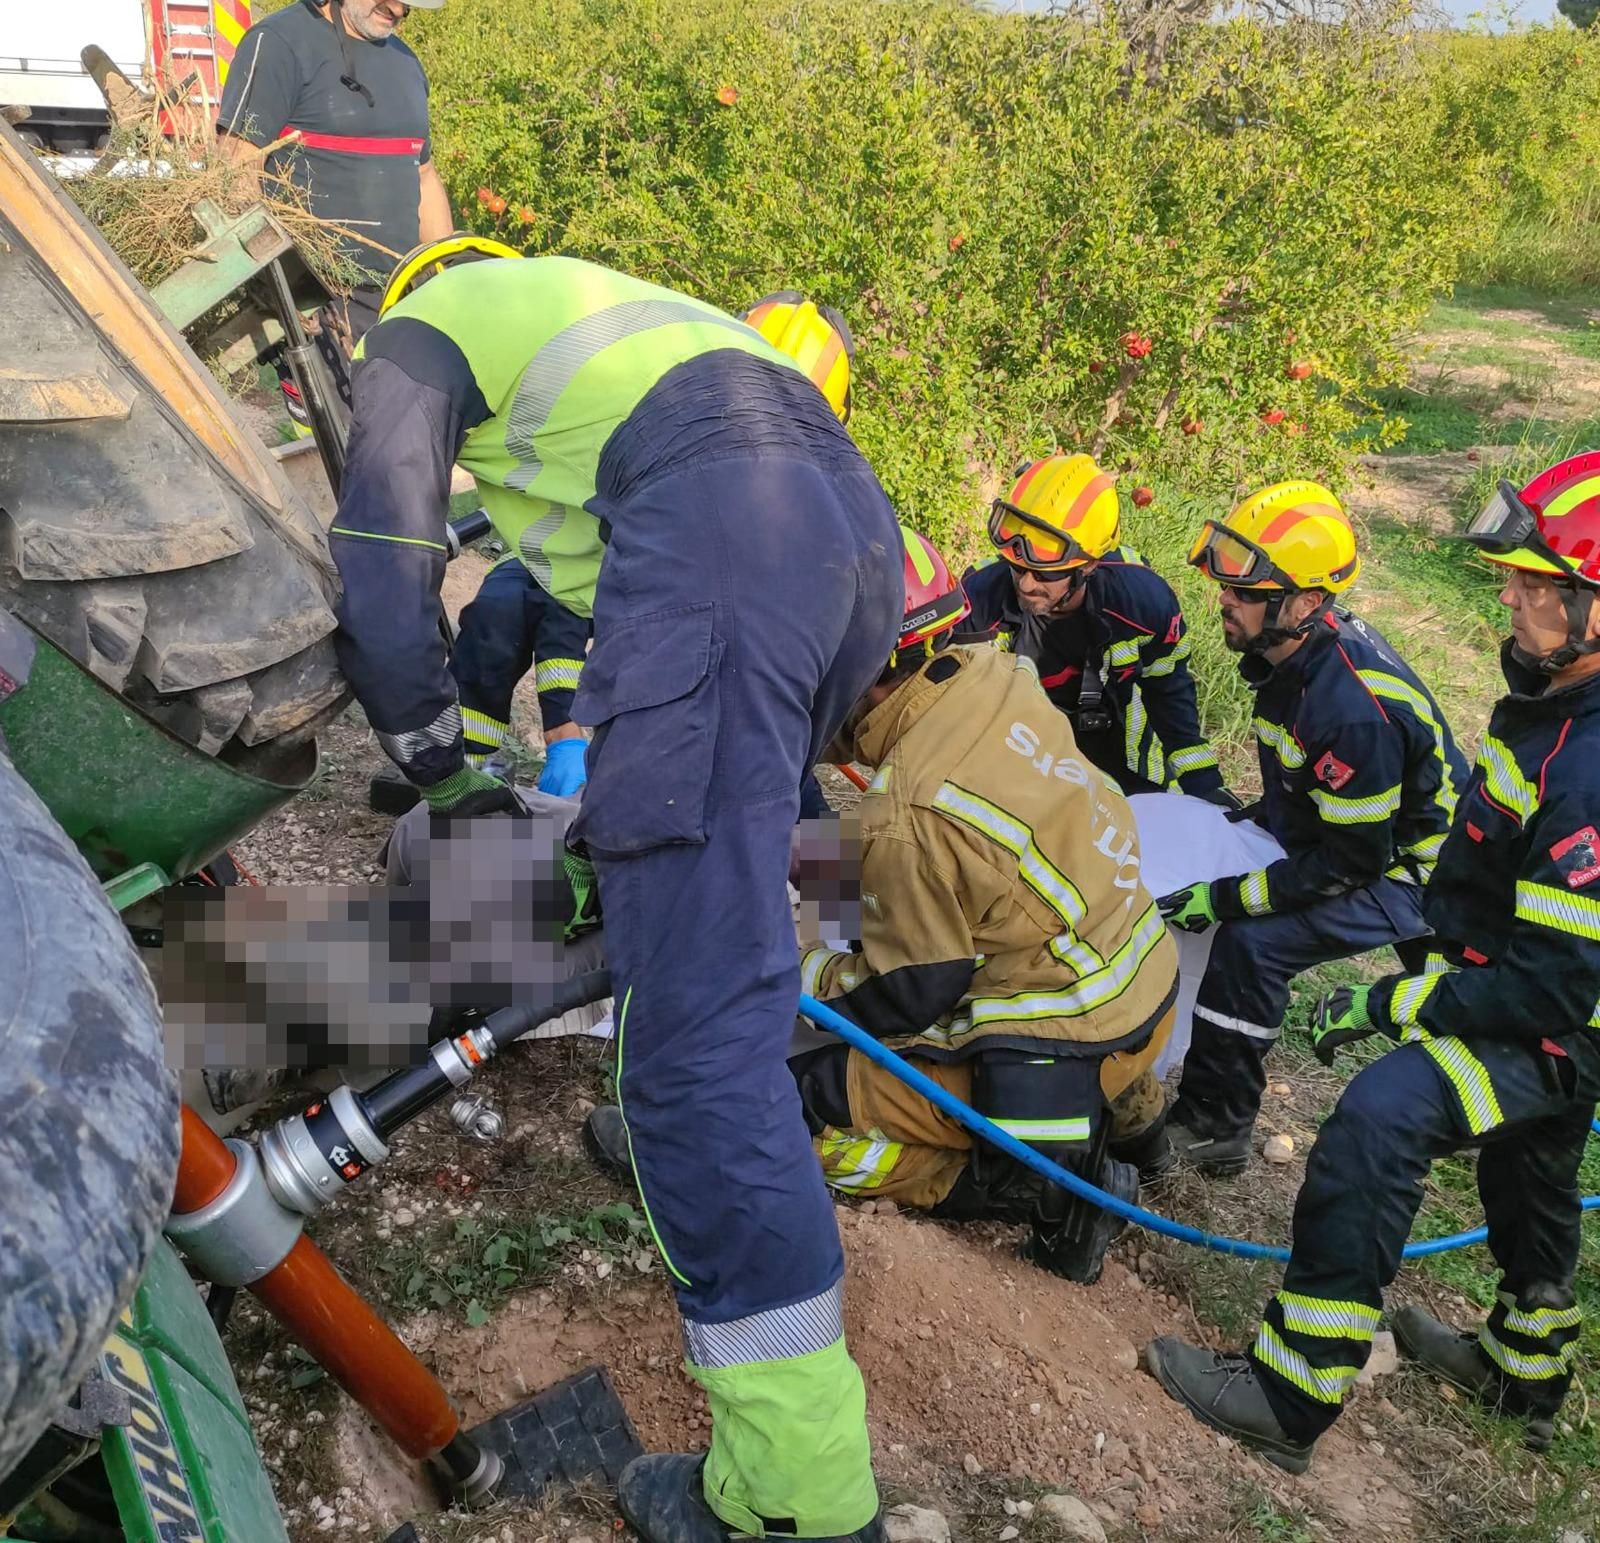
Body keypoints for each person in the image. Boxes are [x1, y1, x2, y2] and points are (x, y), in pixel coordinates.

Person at [324, 249, 902, 1543]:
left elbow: (382, 547)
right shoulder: (607, 338)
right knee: (713, 964)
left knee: (702, 1063)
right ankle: (790, 997)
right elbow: (623, 604)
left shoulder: (428, 326)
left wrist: (435, 764)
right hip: (857, 540)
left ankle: (795, 1499)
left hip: (739, 532)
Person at [1146, 452, 1600, 1472]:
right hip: (1532, 984)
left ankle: (1287, 1389)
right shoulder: (1558, 708)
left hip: (1561, 1019)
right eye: (1516, 578)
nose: (1514, 600)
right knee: (1531, 1172)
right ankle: (1522, 1373)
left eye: (1541, 585)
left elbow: (1557, 982)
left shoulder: (1587, 767)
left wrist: (1405, 999)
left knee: (1376, 1119)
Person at [588, 529, 1180, 1283]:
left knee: (809, 1096)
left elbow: (907, 989)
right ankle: (1143, 1129)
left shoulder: (912, 808)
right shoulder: (994, 674)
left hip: (1058, 1040)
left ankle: (1046, 1195)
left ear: (857, 667)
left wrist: (791, 969)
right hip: (1139, 981)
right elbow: (965, 864)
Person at [1155, 482, 1467, 1175]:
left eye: (1244, 592)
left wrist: (1231, 897)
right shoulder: (1289, 660)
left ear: (1304, 604)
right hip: (1355, 842)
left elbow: (1349, 861)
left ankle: (1215, 1123)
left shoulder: (1351, 709)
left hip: (1413, 870)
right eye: (1226, 586)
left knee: (1252, 945)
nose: (1224, 601)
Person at [447, 290, 859, 801]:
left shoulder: (807, 507)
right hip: (577, 566)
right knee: (501, 612)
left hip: (708, 631)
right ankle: (461, 772)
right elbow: (572, 593)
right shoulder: (669, 454)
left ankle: (823, 870)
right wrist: (564, 731)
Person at [216, 0, 454, 415]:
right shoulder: (279, 43)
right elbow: (238, 163)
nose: (397, 9)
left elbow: (424, 176)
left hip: (399, 299)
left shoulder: (406, 64)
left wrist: (450, 278)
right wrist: (273, 287)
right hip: (318, 300)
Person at [962, 454, 1231, 803]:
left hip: (1119, 762)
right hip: (1017, 756)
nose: (1026, 584)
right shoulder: (979, 601)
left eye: (1044, 572)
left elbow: (1169, 694)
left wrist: (1205, 788)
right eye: (1015, 566)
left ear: (1088, 564)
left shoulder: (1143, 604)